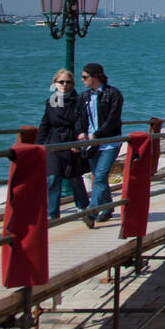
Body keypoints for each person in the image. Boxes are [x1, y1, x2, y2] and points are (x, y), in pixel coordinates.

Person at [40, 68, 93, 227]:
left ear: (73, 84)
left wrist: (79, 140)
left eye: (67, 82)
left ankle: (83, 208)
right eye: (61, 82)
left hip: (72, 141)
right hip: (54, 142)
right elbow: (45, 124)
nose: (64, 85)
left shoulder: (79, 100)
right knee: (53, 177)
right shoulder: (50, 102)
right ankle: (52, 214)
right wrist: (38, 146)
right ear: (55, 84)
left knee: (75, 177)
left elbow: (80, 122)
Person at [76, 62, 124, 223]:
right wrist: (81, 133)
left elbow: (113, 119)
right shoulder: (84, 97)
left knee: (100, 177)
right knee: (98, 177)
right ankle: (108, 207)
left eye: (84, 77)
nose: (82, 80)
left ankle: (91, 212)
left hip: (109, 142)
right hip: (91, 143)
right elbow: (78, 118)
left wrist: (97, 134)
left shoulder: (113, 94)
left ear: (95, 76)